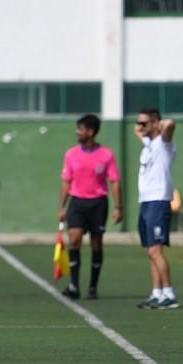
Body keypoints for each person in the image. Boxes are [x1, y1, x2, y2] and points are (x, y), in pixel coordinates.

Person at [58, 114, 122, 300]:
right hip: (77, 202)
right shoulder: (70, 154)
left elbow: (115, 182)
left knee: (96, 243)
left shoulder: (106, 155)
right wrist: (61, 207)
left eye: (81, 129)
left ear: (91, 132)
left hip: (98, 203)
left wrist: (118, 207)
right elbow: (65, 182)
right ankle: (74, 285)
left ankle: (93, 287)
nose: (77, 132)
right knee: (74, 239)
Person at [134, 108, 179, 310]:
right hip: (145, 202)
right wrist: (145, 129)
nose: (139, 127)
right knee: (150, 251)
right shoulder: (149, 144)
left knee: (155, 250)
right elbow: (140, 132)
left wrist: (158, 126)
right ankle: (157, 293)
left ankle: (169, 293)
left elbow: (171, 124)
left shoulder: (163, 143)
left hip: (158, 201)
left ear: (155, 123)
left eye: (144, 123)